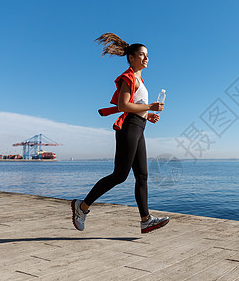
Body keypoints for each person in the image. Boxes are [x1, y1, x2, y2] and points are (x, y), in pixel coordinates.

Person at [71, 33, 169, 234]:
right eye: (142, 55)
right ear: (131, 57)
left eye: (147, 55)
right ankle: (82, 207)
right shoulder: (128, 77)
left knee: (142, 176)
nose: (146, 58)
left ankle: (145, 220)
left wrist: (147, 114)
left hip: (139, 126)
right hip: (129, 128)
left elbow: (135, 106)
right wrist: (149, 106)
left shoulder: (140, 80)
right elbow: (123, 104)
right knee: (120, 175)